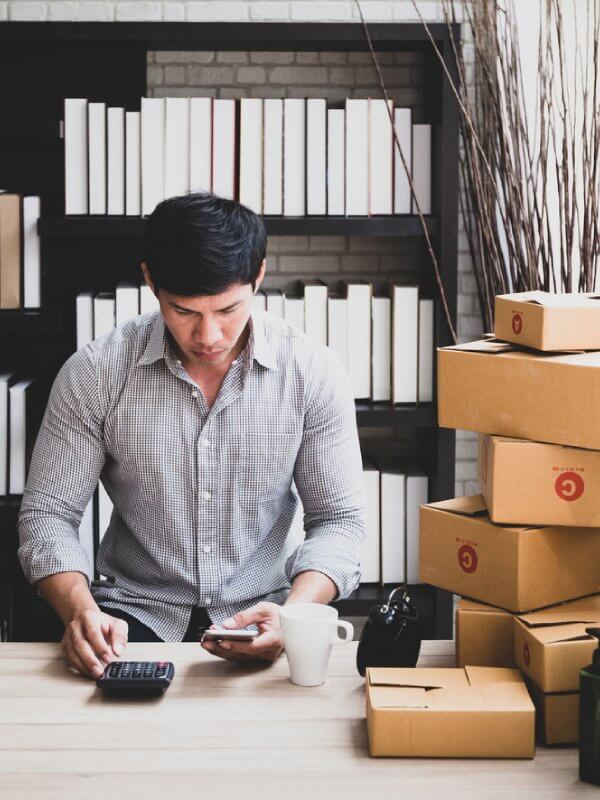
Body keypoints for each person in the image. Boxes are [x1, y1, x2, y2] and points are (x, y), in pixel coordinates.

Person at [17, 192, 365, 679]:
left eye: (228, 309)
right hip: (132, 617)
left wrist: (295, 615)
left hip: (264, 615)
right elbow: (49, 515)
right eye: (184, 311)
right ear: (150, 281)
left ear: (259, 276)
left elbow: (341, 521)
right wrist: (80, 611)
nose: (209, 336)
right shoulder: (95, 373)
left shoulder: (312, 373)